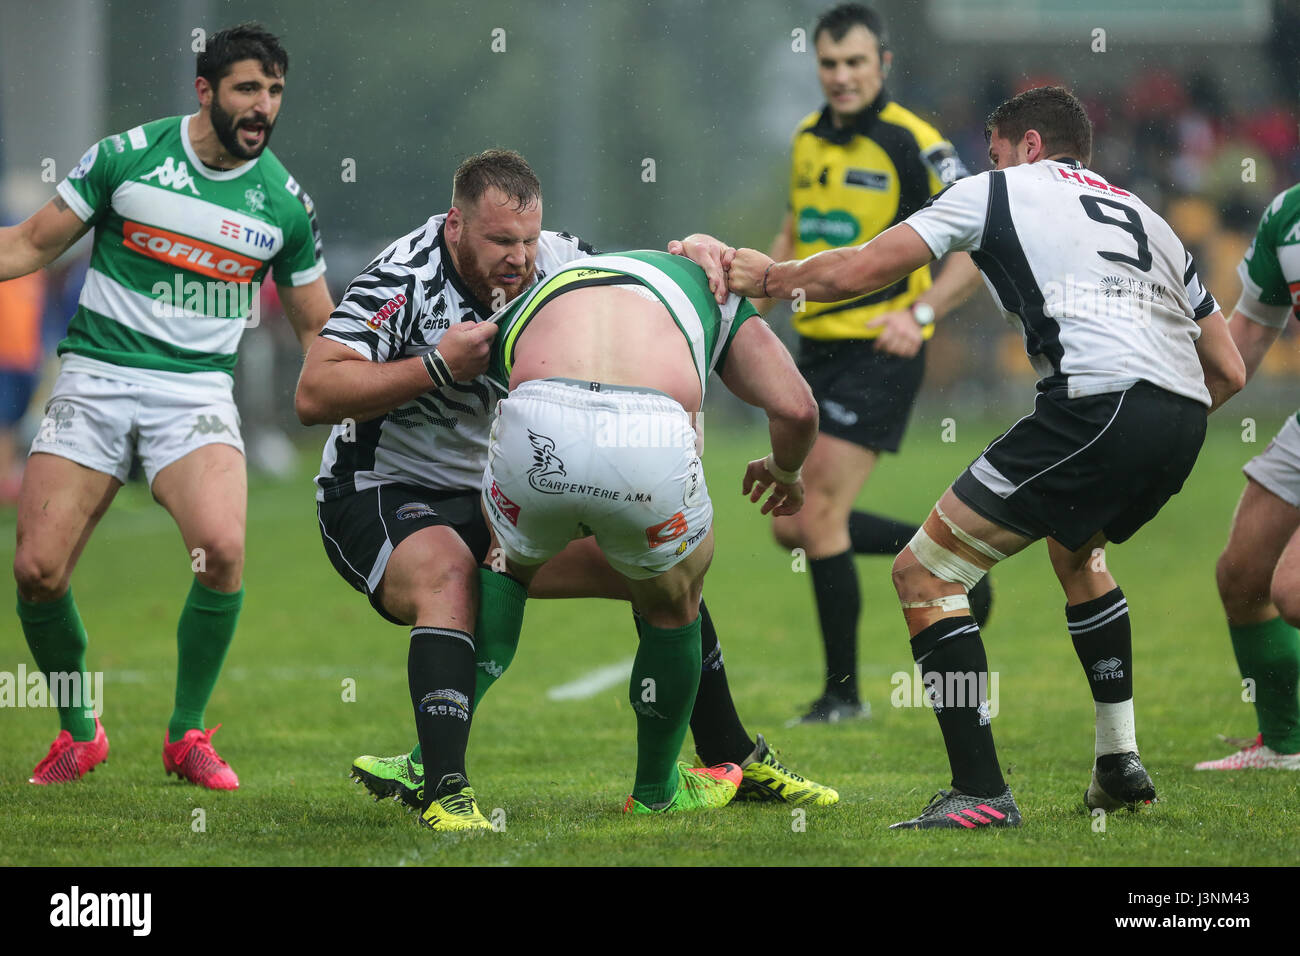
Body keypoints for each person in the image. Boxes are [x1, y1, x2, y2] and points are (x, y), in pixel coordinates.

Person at [728, 86, 1246, 828]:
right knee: (1078, 554)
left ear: (1028, 146)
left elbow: (861, 270)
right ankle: (1117, 759)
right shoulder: (1149, 218)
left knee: (924, 572)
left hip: (1093, 406)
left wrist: (771, 279)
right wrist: (1153, 430)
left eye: (995, 151)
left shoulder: (995, 189)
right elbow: (1226, 371)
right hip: (1183, 417)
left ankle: (981, 793)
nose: (987, 162)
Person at [295, 149, 838, 831]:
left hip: (501, 483)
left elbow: (633, 302)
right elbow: (314, 391)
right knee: (452, 578)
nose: (519, 258)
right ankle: (444, 789)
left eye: (527, 239)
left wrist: (695, 248)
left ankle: (731, 754)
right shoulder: (403, 278)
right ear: (455, 226)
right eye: (499, 241)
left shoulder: (560, 258)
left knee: (663, 575)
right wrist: (434, 367)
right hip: (385, 486)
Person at [2, 23, 333, 789]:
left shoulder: (283, 202)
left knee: (221, 549)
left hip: (194, 394)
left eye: (275, 91)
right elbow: (27, 246)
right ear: (205, 90)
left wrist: (377, 395)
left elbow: (319, 328)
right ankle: (79, 731)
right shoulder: (126, 156)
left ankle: (187, 735)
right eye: (249, 89)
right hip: (96, 378)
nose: (264, 107)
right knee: (37, 572)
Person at [475, 249, 818, 815]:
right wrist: (785, 473)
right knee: (675, 600)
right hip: (647, 438)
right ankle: (656, 791)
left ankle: (429, 761)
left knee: (504, 567)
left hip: (539, 425)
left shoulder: (545, 288)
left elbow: (494, 381)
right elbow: (798, 410)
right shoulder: (717, 289)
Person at [761, 3, 991, 725]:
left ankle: (842, 697)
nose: (841, 76)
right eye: (829, 64)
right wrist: (764, 287)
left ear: (882, 65)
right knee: (790, 522)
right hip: (814, 349)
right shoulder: (805, 139)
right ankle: (951, 565)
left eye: (855, 63)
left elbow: (977, 248)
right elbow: (799, 226)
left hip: (881, 352)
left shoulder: (914, 143)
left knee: (819, 511)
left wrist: (919, 314)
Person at [1198, 181, 1300, 771]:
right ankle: (1285, 744)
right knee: (1244, 575)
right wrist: (1178, 414)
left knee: (1293, 591)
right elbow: (1254, 331)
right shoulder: (1287, 216)